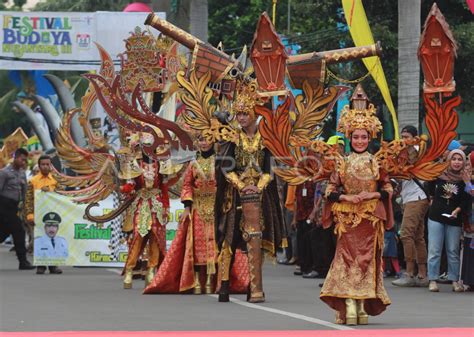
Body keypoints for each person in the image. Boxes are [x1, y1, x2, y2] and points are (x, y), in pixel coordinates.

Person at [320, 98, 392, 325]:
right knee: (346, 259)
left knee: (366, 261)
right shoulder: (342, 163)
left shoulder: (376, 163)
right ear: (349, 138)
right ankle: (349, 304)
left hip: (370, 220)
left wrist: (373, 195)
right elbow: (329, 190)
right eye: (355, 136)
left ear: (369, 138)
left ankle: (361, 304)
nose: (359, 141)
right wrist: (346, 196)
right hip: (348, 220)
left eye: (363, 137)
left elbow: (389, 187)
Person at [215, 90, 285, 303]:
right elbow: (226, 167)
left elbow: (270, 168)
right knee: (229, 239)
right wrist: (241, 185)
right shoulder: (232, 138)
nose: (242, 118)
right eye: (239, 114)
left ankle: (253, 285)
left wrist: (259, 186)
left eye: (245, 113)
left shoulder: (266, 138)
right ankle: (224, 285)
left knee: (256, 240)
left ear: (255, 113)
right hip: (235, 197)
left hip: (260, 197)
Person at [144, 136, 218, 294]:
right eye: (201, 140)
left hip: (215, 208)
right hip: (197, 208)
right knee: (197, 244)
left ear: (213, 141)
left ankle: (212, 281)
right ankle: (197, 280)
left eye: (207, 139)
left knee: (215, 245)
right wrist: (187, 207)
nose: (204, 143)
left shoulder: (219, 161)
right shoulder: (193, 163)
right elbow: (187, 185)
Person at [118, 147, 170, 289]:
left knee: (156, 237)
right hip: (141, 203)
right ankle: (129, 269)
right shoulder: (135, 163)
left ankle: (151, 270)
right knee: (137, 238)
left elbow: (164, 188)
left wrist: (166, 206)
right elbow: (130, 184)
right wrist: (125, 188)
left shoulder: (162, 163)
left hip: (157, 204)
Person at [426, 149, 471, 292]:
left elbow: (467, 199)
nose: (456, 162)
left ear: (464, 162)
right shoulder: (439, 175)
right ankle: (432, 280)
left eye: (460, 159)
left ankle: (454, 280)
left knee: (453, 250)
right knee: (434, 249)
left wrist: (457, 210)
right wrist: (432, 200)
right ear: (449, 160)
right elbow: (429, 188)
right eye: (454, 159)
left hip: (454, 218)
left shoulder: (465, 179)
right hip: (436, 216)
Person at [393, 125, 430, 287]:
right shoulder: (404, 152)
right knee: (417, 237)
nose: (403, 140)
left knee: (406, 234)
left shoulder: (415, 151)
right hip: (412, 198)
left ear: (414, 138)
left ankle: (409, 273)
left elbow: (411, 161)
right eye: (402, 136)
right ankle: (422, 275)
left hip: (417, 198)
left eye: (407, 136)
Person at [25, 155, 61, 274]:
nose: (45, 167)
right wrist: (30, 214)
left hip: (53, 214)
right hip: (38, 215)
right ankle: (41, 265)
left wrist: (50, 191)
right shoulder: (32, 181)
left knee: (53, 239)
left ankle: (53, 266)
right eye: (43, 164)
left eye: (47, 164)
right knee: (39, 239)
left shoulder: (56, 180)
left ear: (51, 165)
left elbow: (61, 195)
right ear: (39, 166)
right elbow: (29, 199)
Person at [0, 148, 35, 270]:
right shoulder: (4, 172)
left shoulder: (22, 173)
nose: (24, 162)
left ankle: (23, 261)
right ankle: (23, 262)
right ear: (15, 157)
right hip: (3, 206)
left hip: (15, 206)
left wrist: (26, 207)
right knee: (19, 231)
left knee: (3, 234)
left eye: (25, 160)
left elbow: (24, 192)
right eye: (22, 159)